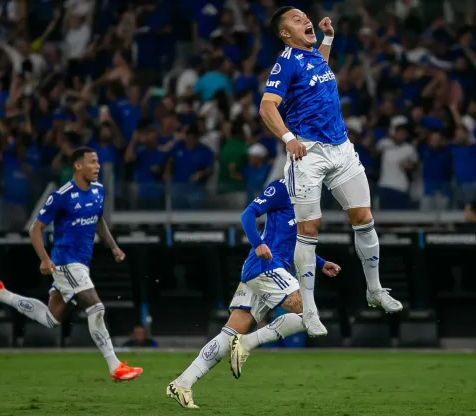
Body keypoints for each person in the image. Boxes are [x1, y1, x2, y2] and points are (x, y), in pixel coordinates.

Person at [258, 7, 402, 337]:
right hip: (308, 152)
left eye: (304, 16)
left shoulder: (312, 56)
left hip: (341, 148)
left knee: (364, 217)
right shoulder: (286, 62)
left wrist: (328, 39)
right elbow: (267, 105)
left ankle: (375, 290)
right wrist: (288, 137)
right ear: (284, 34)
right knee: (309, 228)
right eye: (296, 20)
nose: (304, 20)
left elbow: (320, 69)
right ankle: (309, 311)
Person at [166, 179, 341, 409]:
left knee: (228, 336)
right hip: (266, 266)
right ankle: (248, 342)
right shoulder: (282, 186)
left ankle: (181, 383)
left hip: (267, 268)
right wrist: (257, 243)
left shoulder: (309, 193)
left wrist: (319, 262)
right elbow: (247, 214)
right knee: (309, 314)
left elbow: (296, 241)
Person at [0, 147, 143, 382]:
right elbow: (35, 228)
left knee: (51, 319)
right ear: (78, 165)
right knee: (97, 308)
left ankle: (0, 294)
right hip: (66, 262)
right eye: (92, 162)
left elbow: (98, 219)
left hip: (82, 263)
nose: (98, 166)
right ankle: (115, 366)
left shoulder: (99, 191)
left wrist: (113, 246)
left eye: (98, 162)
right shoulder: (62, 195)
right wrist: (45, 258)